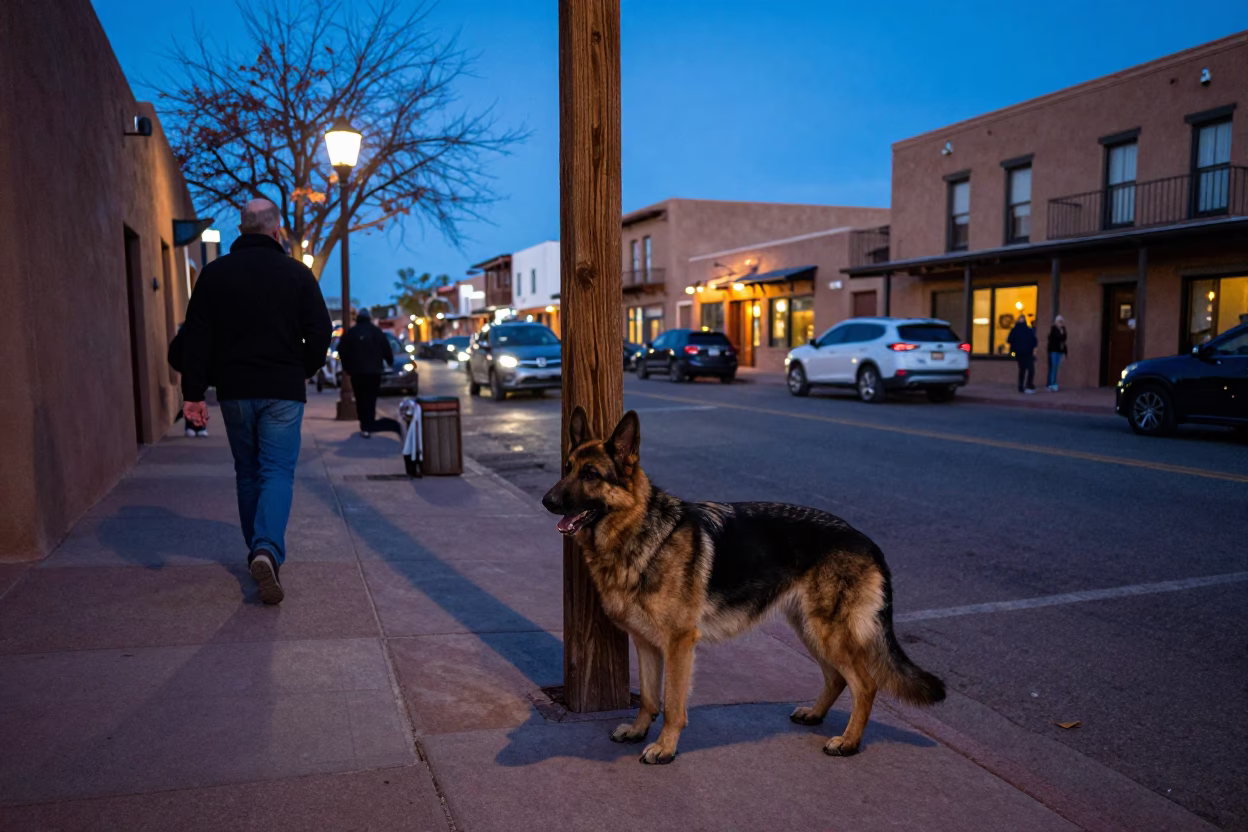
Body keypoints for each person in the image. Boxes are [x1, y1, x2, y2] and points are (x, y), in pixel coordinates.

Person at [179, 198, 332, 605]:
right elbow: (321, 331)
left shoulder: (213, 276)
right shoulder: (296, 274)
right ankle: (267, 550)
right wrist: (305, 368)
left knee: (247, 472)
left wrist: (193, 393)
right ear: (276, 231)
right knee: (277, 472)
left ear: (243, 229)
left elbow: (196, 338)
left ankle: (259, 553)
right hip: (282, 388)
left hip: (234, 390)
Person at [337, 308, 402, 438]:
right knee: (371, 399)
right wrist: (389, 362)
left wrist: (347, 367)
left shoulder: (351, 333)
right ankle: (369, 423)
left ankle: (365, 425)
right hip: (374, 372)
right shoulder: (377, 332)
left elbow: (342, 350)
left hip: (357, 372)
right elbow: (387, 349)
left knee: (360, 398)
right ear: (369, 318)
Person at [1006, 316, 1038, 394]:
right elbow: (1034, 340)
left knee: (1024, 369)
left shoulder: (1016, 330)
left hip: (1023, 353)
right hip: (1025, 353)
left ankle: (1024, 385)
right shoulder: (1027, 330)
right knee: (1027, 369)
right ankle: (1026, 384)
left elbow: (1009, 340)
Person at [1046, 315, 1068, 392]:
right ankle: (1051, 384)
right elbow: (1055, 338)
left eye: (1062, 321)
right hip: (1053, 351)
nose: (1060, 323)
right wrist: (1061, 333)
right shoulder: (1053, 330)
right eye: (1059, 321)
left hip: (1060, 351)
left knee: (1056, 368)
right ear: (1056, 322)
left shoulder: (1063, 330)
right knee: (1053, 368)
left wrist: (1065, 353)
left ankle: (1054, 384)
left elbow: (1064, 341)